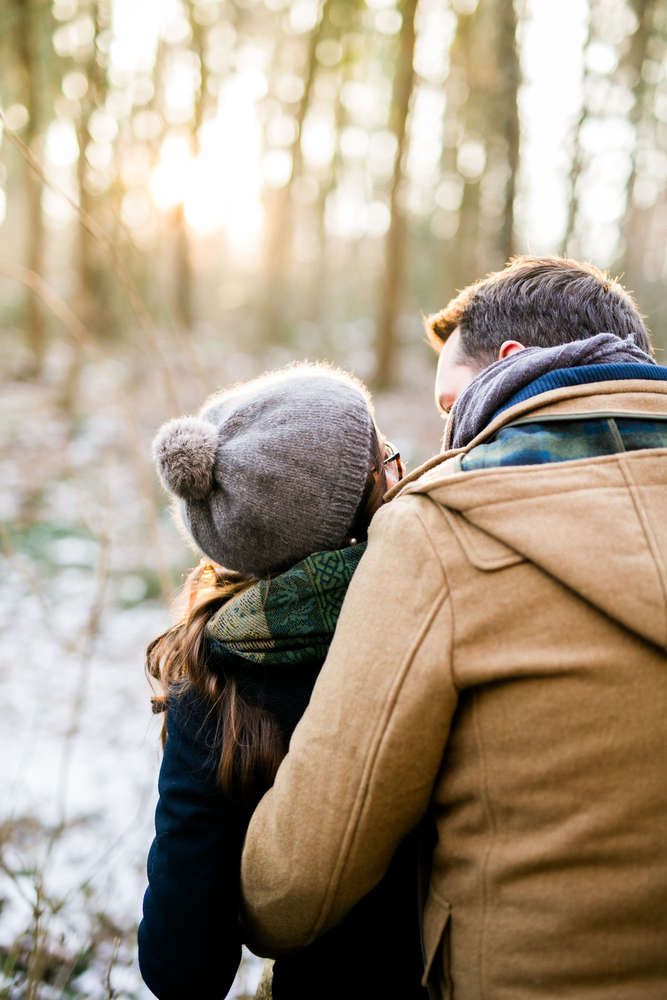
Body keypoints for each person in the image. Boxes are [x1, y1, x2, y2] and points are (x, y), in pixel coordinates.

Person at [240, 257, 667, 999]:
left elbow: (295, 888)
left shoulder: (438, 531)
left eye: (451, 406)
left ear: (510, 363)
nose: (448, 442)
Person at [137, 362, 429, 1000]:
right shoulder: (435, 617)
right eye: (387, 459)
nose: (403, 472)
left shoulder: (213, 680)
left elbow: (180, 965)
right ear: (360, 506)